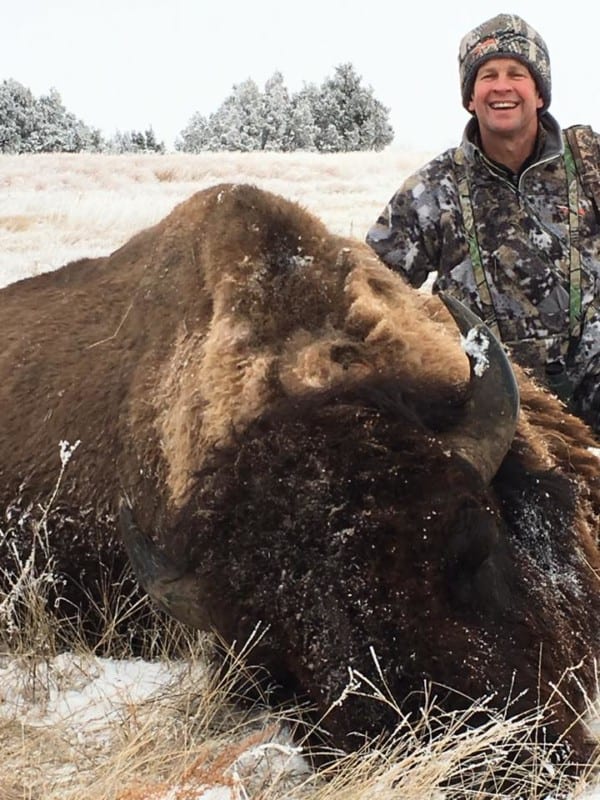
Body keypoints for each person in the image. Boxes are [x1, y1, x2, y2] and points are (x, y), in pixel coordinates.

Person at [366, 13, 600, 433]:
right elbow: (371, 290)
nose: (502, 86)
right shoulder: (432, 189)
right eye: (487, 75)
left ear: (539, 94)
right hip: (491, 416)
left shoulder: (589, 162)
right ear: (471, 99)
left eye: (517, 73)